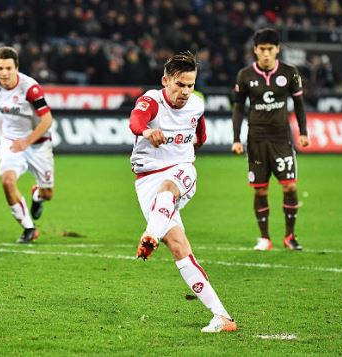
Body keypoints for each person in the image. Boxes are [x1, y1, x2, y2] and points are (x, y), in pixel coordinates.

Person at [129, 51, 237, 333]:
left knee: (168, 189)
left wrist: (188, 149)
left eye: (190, 85)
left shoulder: (196, 104)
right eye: (180, 84)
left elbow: (200, 136)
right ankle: (222, 317)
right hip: (146, 179)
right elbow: (135, 122)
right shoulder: (151, 100)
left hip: (181, 170)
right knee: (179, 247)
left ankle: (150, 234)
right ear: (166, 81)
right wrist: (145, 133)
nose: (186, 91)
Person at [231, 28, 309, 251]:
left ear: (277, 49)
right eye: (262, 49)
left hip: (282, 139)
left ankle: (290, 236)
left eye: (270, 49)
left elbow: (299, 105)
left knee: (289, 186)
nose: (266, 54)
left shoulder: (290, 72)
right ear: (255, 50)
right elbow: (238, 108)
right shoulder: (245, 75)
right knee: (260, 190)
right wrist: (236, 139)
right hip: (256, 139)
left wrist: (303, 133)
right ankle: (265, 238)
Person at [0, 46, 54, 244]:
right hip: (10, 142)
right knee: (8, 182)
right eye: (0, 69)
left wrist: (26, 141)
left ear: (16, 68)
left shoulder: (31, 89)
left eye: (8, 68)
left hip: (38, 143)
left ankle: (37, 195)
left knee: (48, 194)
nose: (4, 73)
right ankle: (28, 228)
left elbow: (47, 120)